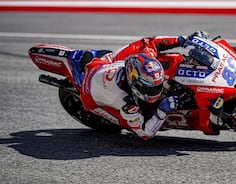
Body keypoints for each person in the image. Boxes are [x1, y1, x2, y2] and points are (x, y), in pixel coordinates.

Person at [69, 31, 210, 140]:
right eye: (151, 88)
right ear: (135, 85)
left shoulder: (144, 56)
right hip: (91, 95)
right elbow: (144, 133)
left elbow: (153, 42)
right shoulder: (125, 102)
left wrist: (184, 39)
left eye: (156, 86)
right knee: (129, 122)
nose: (157, 91)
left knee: (150, 46)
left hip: (105, 65)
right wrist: (162, 109)